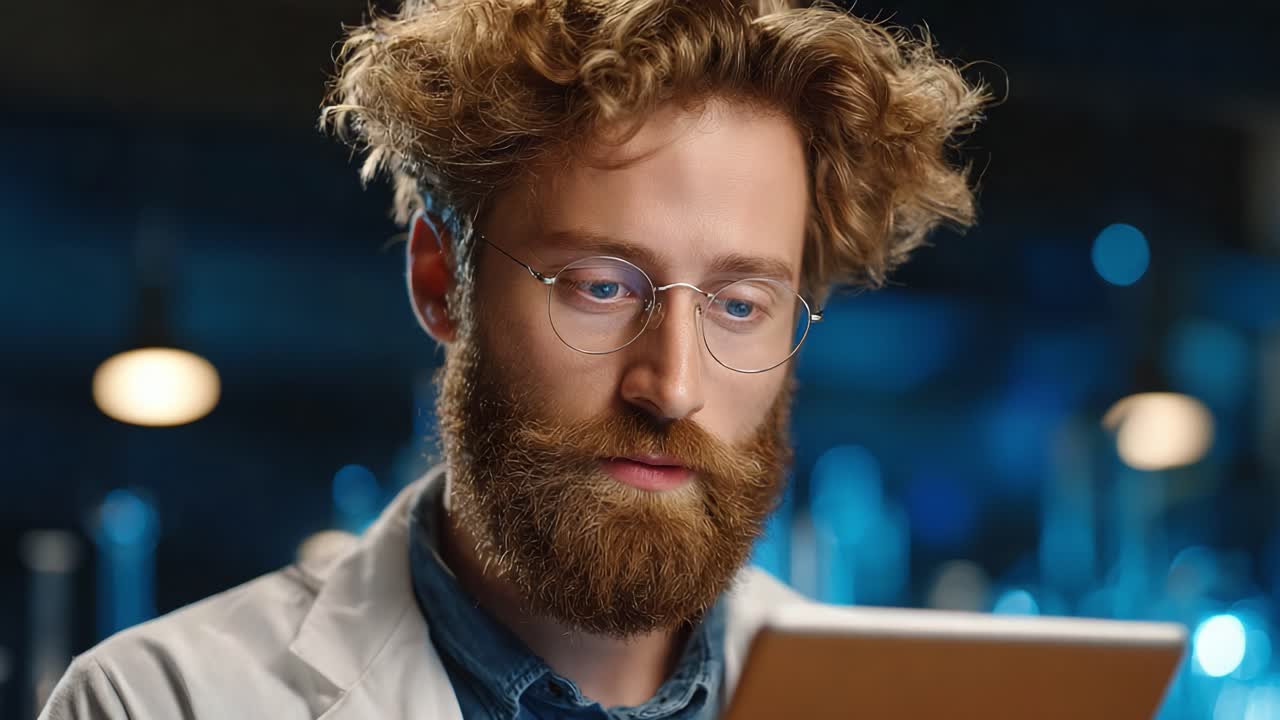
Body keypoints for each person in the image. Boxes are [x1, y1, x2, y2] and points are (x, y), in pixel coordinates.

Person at [41, 1, 984, 717]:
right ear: (440, 281)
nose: (674, 385)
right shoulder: (159, 700)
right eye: (601, 286)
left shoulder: (917, 704)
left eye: (741, 305)